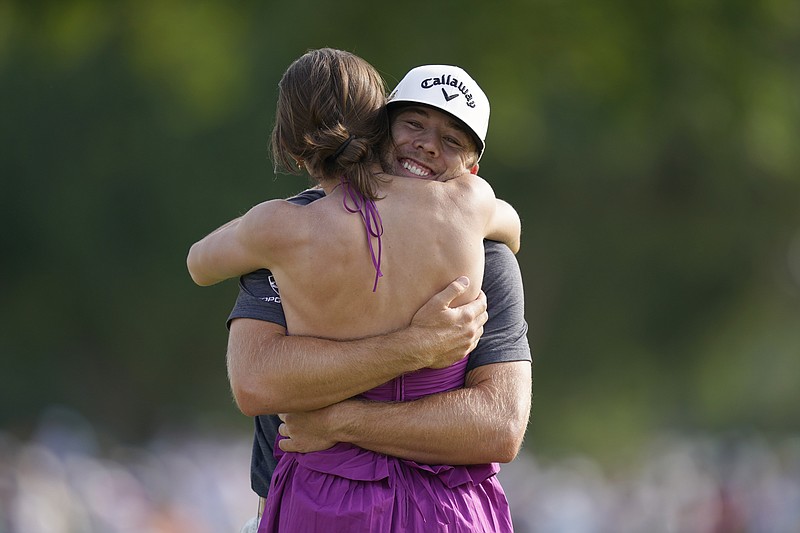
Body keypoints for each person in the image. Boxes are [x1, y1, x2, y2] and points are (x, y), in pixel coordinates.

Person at [189, 49, 530, 531]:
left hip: (322, 496)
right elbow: (256, 382)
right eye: (413, 123)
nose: (429, 146)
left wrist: (338, 422)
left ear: (472, 167)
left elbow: (500, 427)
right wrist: (416, 346)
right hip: (450, 510)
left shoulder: (281, 233)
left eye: (452, 140)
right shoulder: (476, 211)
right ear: (378, 129)